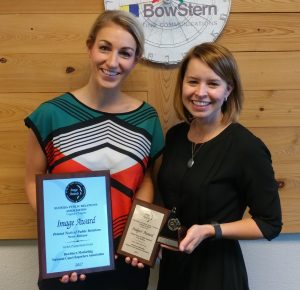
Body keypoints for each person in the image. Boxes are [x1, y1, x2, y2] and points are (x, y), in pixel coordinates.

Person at [24, 10, 164, 290]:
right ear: (90, 47)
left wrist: (139, 235)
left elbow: (146, 178)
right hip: (70, 260)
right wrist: (60, 239)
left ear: (136, 60)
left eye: (125, 53)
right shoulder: (50, 114)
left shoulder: (147, 119)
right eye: (104, 48)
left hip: (127, 261)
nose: (112, 61)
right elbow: (32, 179)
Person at [156, 43, 282, 290]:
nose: (200, 92)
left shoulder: (247, 147)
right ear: (182, 84)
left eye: (212, 84)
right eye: (192, 81)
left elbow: (269, 223)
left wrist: (211, 230)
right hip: (173, 269)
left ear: (228, 90)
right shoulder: (175, 136)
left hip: (216, 274)